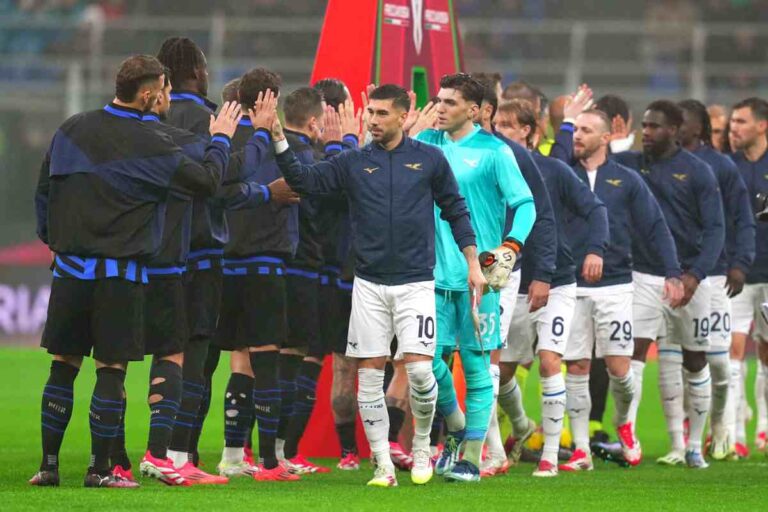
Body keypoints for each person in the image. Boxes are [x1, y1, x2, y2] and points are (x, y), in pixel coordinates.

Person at [29, 55, 237, 488]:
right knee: (111, 369)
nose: (165, 98)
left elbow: (45, 189)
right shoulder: (150, 141)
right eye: (162, 91)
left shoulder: (71, 128)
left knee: (63, 365)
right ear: (148, 94)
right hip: (119, 275)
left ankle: (48, 467)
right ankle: (100, 470)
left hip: (69, 270)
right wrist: (220, 139)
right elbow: (206, 183)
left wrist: (56, 239)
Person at [265, 83, 483, 487]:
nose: (373, 120)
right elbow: (303, 179)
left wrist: (473, 263)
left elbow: (456, 210)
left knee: (420, 372)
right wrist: (278, 138)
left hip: (417, 282)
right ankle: (382, 463)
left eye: (382, 114)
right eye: (370, 113)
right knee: (368, 374)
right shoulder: (352, 162)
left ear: (403, 116)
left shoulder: (430, 160)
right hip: (367, 284)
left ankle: (421, 448)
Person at [413, 74, 537, 482]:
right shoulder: (426, 144)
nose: (441, 108)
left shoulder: (494, 152)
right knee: (426, 362)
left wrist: (511, 247)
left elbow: (526, 206)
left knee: (479, 367)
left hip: (478, 278)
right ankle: (458, 425)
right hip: (430, 274)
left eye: (450, 102)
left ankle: (470, 458)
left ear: (474, 109)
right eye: (438, 100)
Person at [561, 109, 683, 471]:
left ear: (606, 137)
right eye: (575, 129)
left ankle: (624, 422)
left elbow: (655, 226)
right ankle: (581, 448)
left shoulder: (626, 180)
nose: (577, 136)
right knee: (578, 365)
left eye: (586, 130)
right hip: (571, 284)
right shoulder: (564, 174)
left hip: (615, 285)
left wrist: (673, 272)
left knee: (619, 368)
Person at [494, 99, 609, 477]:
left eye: (508, 125)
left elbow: (595, 210)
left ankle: (549, 456)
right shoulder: (490, 168)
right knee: (502, 371)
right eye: (497, 123)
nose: (500, 130)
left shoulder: (554, 171)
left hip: (557, 281)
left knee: (548, 360)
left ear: (527, 131)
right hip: (511, 282)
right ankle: (522, 426)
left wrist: (594, 249)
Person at [613, 100, 725, 469]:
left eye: (654, 127)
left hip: (691, 280)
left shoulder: (698, 172)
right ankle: (629, 437)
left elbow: (715, 230)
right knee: (632, 356)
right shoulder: (630, 164)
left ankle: (694, 446)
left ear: (674, 131)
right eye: (643, 126)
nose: (646, 132)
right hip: (644, 275)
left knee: (695, 359)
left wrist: (694, 276)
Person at [473, 76, 557, 477]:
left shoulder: (511, 155)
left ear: (482, 111)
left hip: (498, 271)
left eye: (454, 103)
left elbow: (538, 214)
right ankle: (518, 428)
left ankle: (490, 452)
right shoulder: (441, 149)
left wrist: (539, 272)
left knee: (487, 359)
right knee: (444, 359)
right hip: (452, 267)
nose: (443, 109)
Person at [275, 87, 358, 474]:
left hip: (279, 267)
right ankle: (285, 453)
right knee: (305, 359)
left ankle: (250, 452)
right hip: (322, 272)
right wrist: (349, 144)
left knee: (264, 358)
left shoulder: (275, 153)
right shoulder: (324, 160)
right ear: (318, 121)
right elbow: (351, 192)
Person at [678, 99, 756, 460]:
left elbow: (742, 218)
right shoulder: (663, 166)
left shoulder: (722, 167)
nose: (675, 127)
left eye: (682, 122)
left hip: (717, 274)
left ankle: (723, 425)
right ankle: (687, 437)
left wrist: (740, 263)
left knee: (720, 360)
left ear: (699, 129)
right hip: (677, 276)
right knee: (682, 359)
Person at [311, 77, 362, 469]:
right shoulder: (357, 157)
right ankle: (394, 444)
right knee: (385, 363)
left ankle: (347, 453)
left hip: (313, 274)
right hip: (360, 275)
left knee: (335, 364)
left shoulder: (297, 154)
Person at [728, 97, 768, 454]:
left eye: (741, 122)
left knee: (767, 353)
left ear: (762, 125)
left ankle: (765, 427)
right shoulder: (728, 167)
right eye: (733, 122)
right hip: (737, 274)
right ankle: (736, 431)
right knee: (734, 349)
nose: (733, 128)